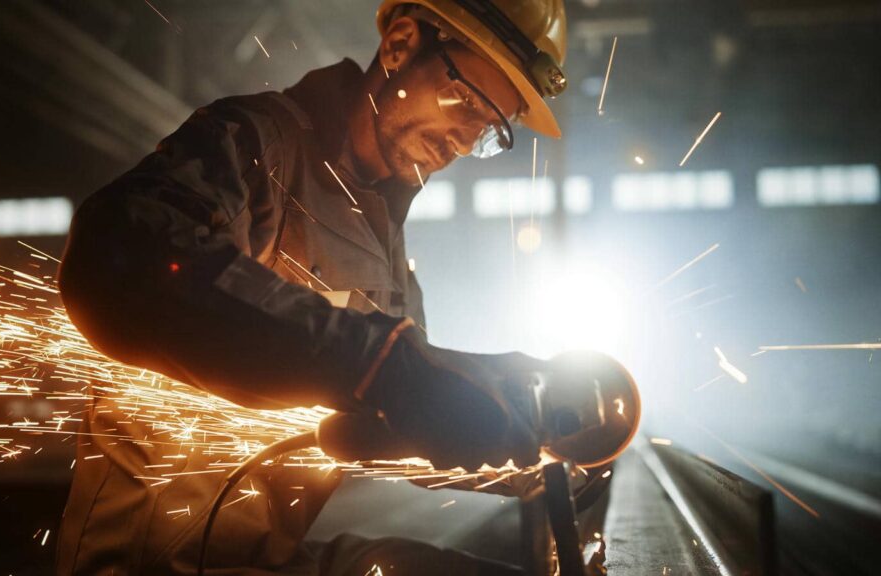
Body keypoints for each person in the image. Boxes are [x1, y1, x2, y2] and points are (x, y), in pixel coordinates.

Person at [55, 1, 569, 574]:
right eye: (468, 99)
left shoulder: (392, 256)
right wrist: (379, 362)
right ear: (400, 45)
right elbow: (123, 249)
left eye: (490, 129)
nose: (465, 139)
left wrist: (531, 437)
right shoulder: (257, 145)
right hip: (155, 564)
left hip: (265, 561)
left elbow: (388, 428)